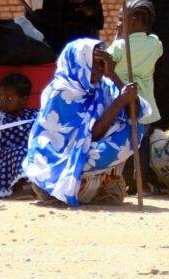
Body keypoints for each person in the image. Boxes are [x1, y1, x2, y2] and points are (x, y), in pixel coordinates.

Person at [22, 39, 142, 207]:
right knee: (94, 151)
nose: (101, 69)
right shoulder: (61, 92)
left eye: (103, 63)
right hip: (55, 166)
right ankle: (80, 189)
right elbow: (88, 136)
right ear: (79, 61)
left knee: (131, 128)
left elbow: (135, 111)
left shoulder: (103, 86)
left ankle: (100, 186)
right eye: (95, 63)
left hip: (85, 160)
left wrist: (114, 76)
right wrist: (119, 101)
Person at [109, 0, 164, 191]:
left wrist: (118, 37)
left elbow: (107, 59)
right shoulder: (155, 44)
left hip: (122, 97)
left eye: (120, 20)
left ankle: (125, 180)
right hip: (145, 99)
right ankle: (140, 180)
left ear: (134, 22)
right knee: (142, 142)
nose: (118, 24)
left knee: (124, 138)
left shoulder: (119, 47)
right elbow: (158, 49)